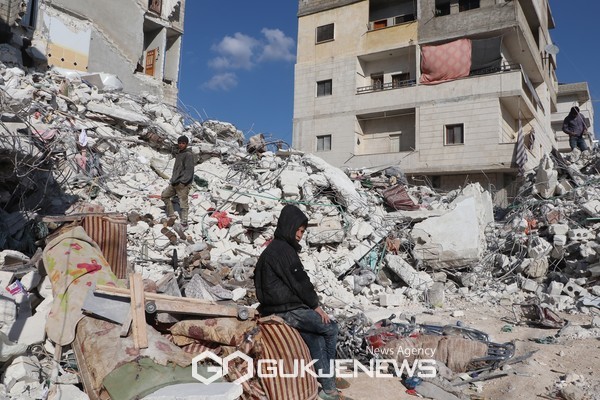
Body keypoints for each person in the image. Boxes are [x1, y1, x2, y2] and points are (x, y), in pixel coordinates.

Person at [254, 204, 352, 400]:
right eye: (298, 230)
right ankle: (330, 381)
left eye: (302, 231)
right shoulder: (283, 251)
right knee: (330, 327)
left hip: (281, 306)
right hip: (285, 310)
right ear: (288, 226)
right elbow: (300, 282)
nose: (299, 235)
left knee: (315, 339)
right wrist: (315, 306)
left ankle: (327, 384)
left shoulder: (276, 248)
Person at [161, 135, 194, 226]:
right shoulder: (179, 153)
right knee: (164, 196)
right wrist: (174, 180)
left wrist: (183, 182)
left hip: (182, 183)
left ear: (186, 144)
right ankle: (172, 215)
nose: (181, 145)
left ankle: (184, 222)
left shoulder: (188, 155)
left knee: (183, 203)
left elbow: (189, 170)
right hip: (175, 182)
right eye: (179, 143)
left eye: (183, 143)